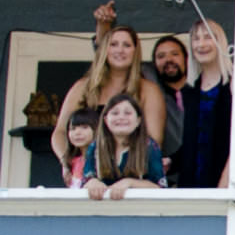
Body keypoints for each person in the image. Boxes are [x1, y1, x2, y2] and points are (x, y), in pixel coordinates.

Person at [52, 23, 167, 164]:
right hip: (87, 175)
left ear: (135, 52)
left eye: (127, 45)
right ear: (104, 50)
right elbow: (60, 132)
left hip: (130, 174)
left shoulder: (148, 90)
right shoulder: (83, 86)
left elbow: (154, 141)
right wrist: (67, 162)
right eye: (113, 44)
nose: (120, 50)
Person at [88, 0, 187, 162]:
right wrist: (103, 25)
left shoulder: (197, 91)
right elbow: (109, 55)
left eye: (174, 54)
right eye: (161, 56)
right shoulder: (148, 79)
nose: (168, 60)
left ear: (186, 58)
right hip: (149, 169)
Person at [173, 19, 232, 188]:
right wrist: (171, 160)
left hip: (224, 183)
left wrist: (227, 180)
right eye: (196, 38)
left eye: (208, 37)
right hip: (191, 186)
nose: (201, 44)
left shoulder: (234, 86)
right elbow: (194, 140)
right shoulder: (189, 92)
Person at [83, 93, 166, 200]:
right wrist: (92, 182)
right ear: (105, 120)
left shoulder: (149, 147)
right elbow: (85, 182)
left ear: (138, 120)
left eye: (127, 113)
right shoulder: (95, 147)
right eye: (115, 113)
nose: (121, 117)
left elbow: (159, 187)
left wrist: (129, 183)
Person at [62, 107, 97, 189]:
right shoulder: (72, 162)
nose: (77, 132)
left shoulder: (101, 160)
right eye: (73, 129)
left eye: (84, 127)